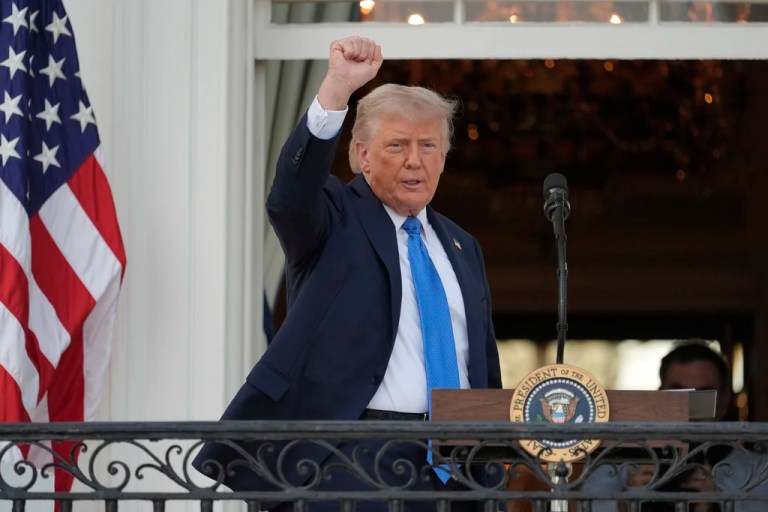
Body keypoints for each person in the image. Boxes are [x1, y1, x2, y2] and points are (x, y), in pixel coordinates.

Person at [192, 35, 502, 511]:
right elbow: (290, 197)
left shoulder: (463, 245)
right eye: (397, 145)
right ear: (362, 155)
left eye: (428, 146)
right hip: (352, 458)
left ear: (443, 157)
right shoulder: (335, 214)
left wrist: (493, 461)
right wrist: (337, 88)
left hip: (456, 468)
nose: (415, 160)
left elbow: (480, 362)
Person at [583, 340, 768, 512]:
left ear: (726, 398)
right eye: (677, 393)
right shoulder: (624, 460)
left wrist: (717, 505)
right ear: (660, 395)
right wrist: (625, 503)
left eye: (703, 396)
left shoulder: (758, 469)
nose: (689, 405)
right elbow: (583, 505)